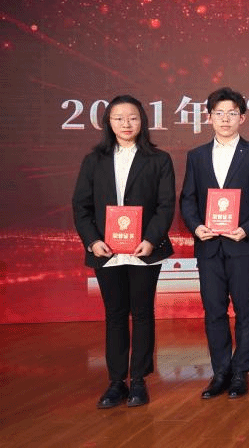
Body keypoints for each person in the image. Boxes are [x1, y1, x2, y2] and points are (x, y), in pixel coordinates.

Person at [72, 95, 175, 409]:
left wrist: (151, 239)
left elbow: (165, 205)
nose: (126, 124)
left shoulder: (159, 159)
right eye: (119, 118)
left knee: (142, 314)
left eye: (132, 117)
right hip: (106, 251)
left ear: (142, 121)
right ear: (108, 123)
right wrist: (93, 241)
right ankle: (116, 382)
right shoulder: (94, 160)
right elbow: (81, 206)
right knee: (115, 315)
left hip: (144, 250)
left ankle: (139, 380)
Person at [180, 87, 249, 399]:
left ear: (242, 118)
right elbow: (188, 198)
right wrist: (196, 227)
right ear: (209, 117)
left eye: (232, 113)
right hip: (209, 245)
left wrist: (246, 228)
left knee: (245, 308)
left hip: (242, 244)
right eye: (219, 113)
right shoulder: (196, 156)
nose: (225, 119)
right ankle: (220, 371)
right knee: (214, 309)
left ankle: (240, 372)